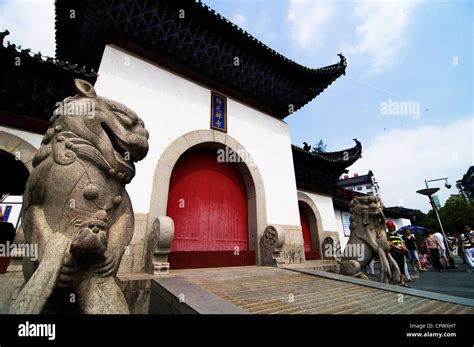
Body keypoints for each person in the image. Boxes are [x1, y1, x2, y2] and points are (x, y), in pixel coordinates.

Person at [386, 220, 410, 287]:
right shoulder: (387, 234)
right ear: (388, 227)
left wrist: (404, 247)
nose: (391, 228)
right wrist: (396, 247)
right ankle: (393, 280)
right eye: (390, 227)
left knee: (401, 267)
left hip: (400, 252)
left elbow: (401, 242)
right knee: (394, 266)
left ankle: (402, 281)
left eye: (392, 226)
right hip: (393, 252)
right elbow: (388, 243)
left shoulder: (397, 234)